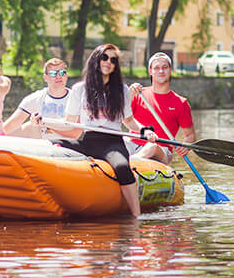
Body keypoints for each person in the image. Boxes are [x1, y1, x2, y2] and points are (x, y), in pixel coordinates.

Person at [32, 44, 156, 217]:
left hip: (112, 143)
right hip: (88, 141)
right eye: (104, 57)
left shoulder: (122, 90)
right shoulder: (79, 89)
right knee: (52, 144)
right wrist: (45, 122)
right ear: (96, 59)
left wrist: (145, 131)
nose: (108, 62)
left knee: (121, 166)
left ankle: (136, 216)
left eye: (113, 60)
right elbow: (68, 122)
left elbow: (129, 122)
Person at [128, 52, 196, 164]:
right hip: (133, 144)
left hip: (161, 150)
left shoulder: (181, 103)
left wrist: (186, 146)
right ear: (150, 71)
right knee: (118, 142)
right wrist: (129, 96)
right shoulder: (138, 94)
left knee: (151, 147)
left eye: (165, 67)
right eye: (156, 68)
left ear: (170, 70)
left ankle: (132, 163)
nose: (161, 71)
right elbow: (123, 117)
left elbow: (190, 135)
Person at [3, 57, 70, 139]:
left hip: (67, 147)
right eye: (53, 73)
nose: (58, 76)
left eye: (62, 73)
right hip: (40, 145)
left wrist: (44, 122)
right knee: (29, 126)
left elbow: (75, 134)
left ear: (66, 75)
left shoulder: (75, 98)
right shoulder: (35, 98)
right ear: (45, 77)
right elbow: (10, 125)